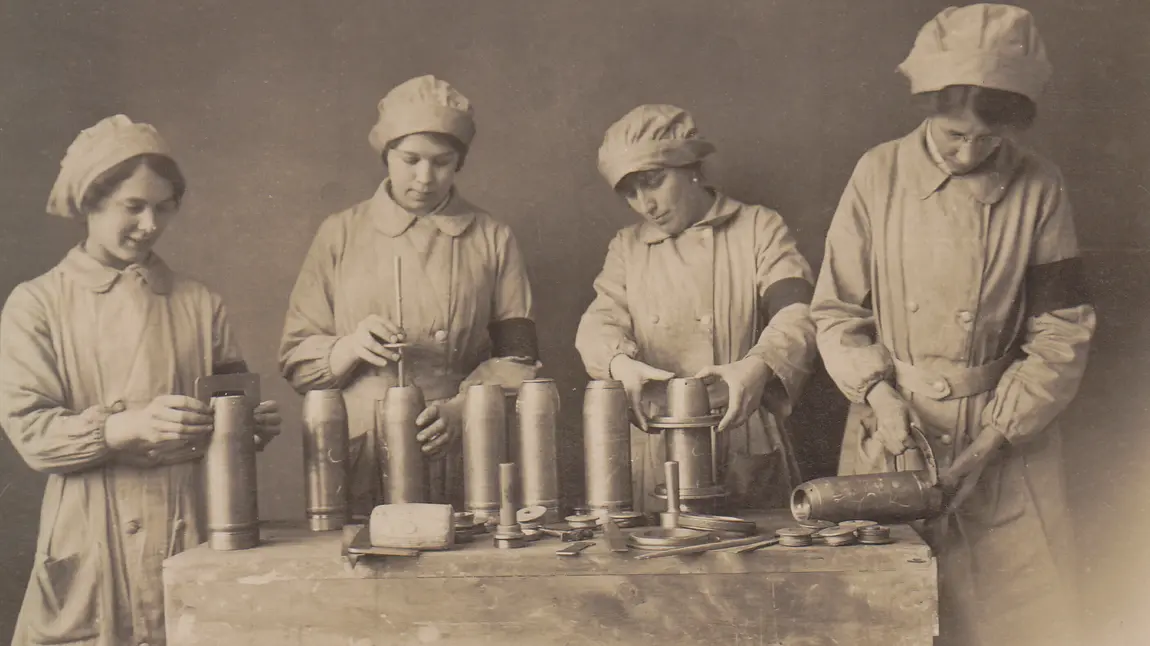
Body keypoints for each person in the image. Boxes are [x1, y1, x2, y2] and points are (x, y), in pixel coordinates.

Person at [811, 5, 1094, 645]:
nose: (969, 153)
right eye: (952, 136)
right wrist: (880, 399)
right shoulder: (876, 175)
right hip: (888, 433)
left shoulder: (1040, 187)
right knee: (883, 619)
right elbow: (835, 312)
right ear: (927, 110)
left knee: (1016, 621)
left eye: (987, 141)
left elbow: (1062, 328)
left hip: (1002, 441)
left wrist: (996, 436)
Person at [0, 115, 281, 646]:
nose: (151, 224)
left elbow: (228, 402)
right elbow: (31, 435)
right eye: (134, 206)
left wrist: (247, 424)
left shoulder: (201, 304)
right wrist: (122, 428)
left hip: (186, 524)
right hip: (91, 533)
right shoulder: (36, 304)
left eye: (164, 206)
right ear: (91, 202)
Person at [279, 75, 539, 514]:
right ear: (386, 156)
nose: (424, 177)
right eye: (410, 159)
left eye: (442, 161)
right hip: (358, 451)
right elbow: (296, 361)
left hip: (459, 444)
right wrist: (348, 348)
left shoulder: (493, 238)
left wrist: (464, 412)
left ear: (459, 162)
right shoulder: (339, 234)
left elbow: (519, 359)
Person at [575, 104, 817, 513]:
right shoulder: (628, 247)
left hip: (741, 431)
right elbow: (599, 321)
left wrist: (758, 365)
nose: (644, 205)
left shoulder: (758, 228)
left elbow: (797, 312)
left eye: (653, 183)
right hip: (660, 445)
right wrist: (620, 365)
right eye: (630, 193)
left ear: (690, 166)